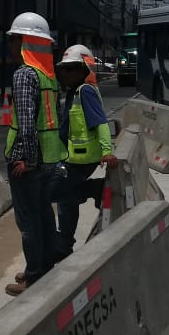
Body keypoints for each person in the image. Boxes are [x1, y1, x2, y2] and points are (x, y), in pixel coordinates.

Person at [3, 12, 65, 297]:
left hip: (29, 162)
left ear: (25, 42)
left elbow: (27, 122)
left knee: (28, 221)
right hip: (49, 159)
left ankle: (34, 275)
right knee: (43, 215)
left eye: (14, 39)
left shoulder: (24, 74)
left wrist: (24, 159)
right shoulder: (48, 76)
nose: (11, 45)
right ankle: (44, 264)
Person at [54, 44, 118, 261]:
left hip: (83, 159)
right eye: (65, 69)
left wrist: (107, 151)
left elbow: (100, 122)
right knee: (66, 202)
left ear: (84, 70)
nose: (67, 73)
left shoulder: (85, 91)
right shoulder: (73, 93)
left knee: (55, 193)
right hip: (72, 157)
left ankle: (94, 188)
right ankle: (63, 248)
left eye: (72, 68)